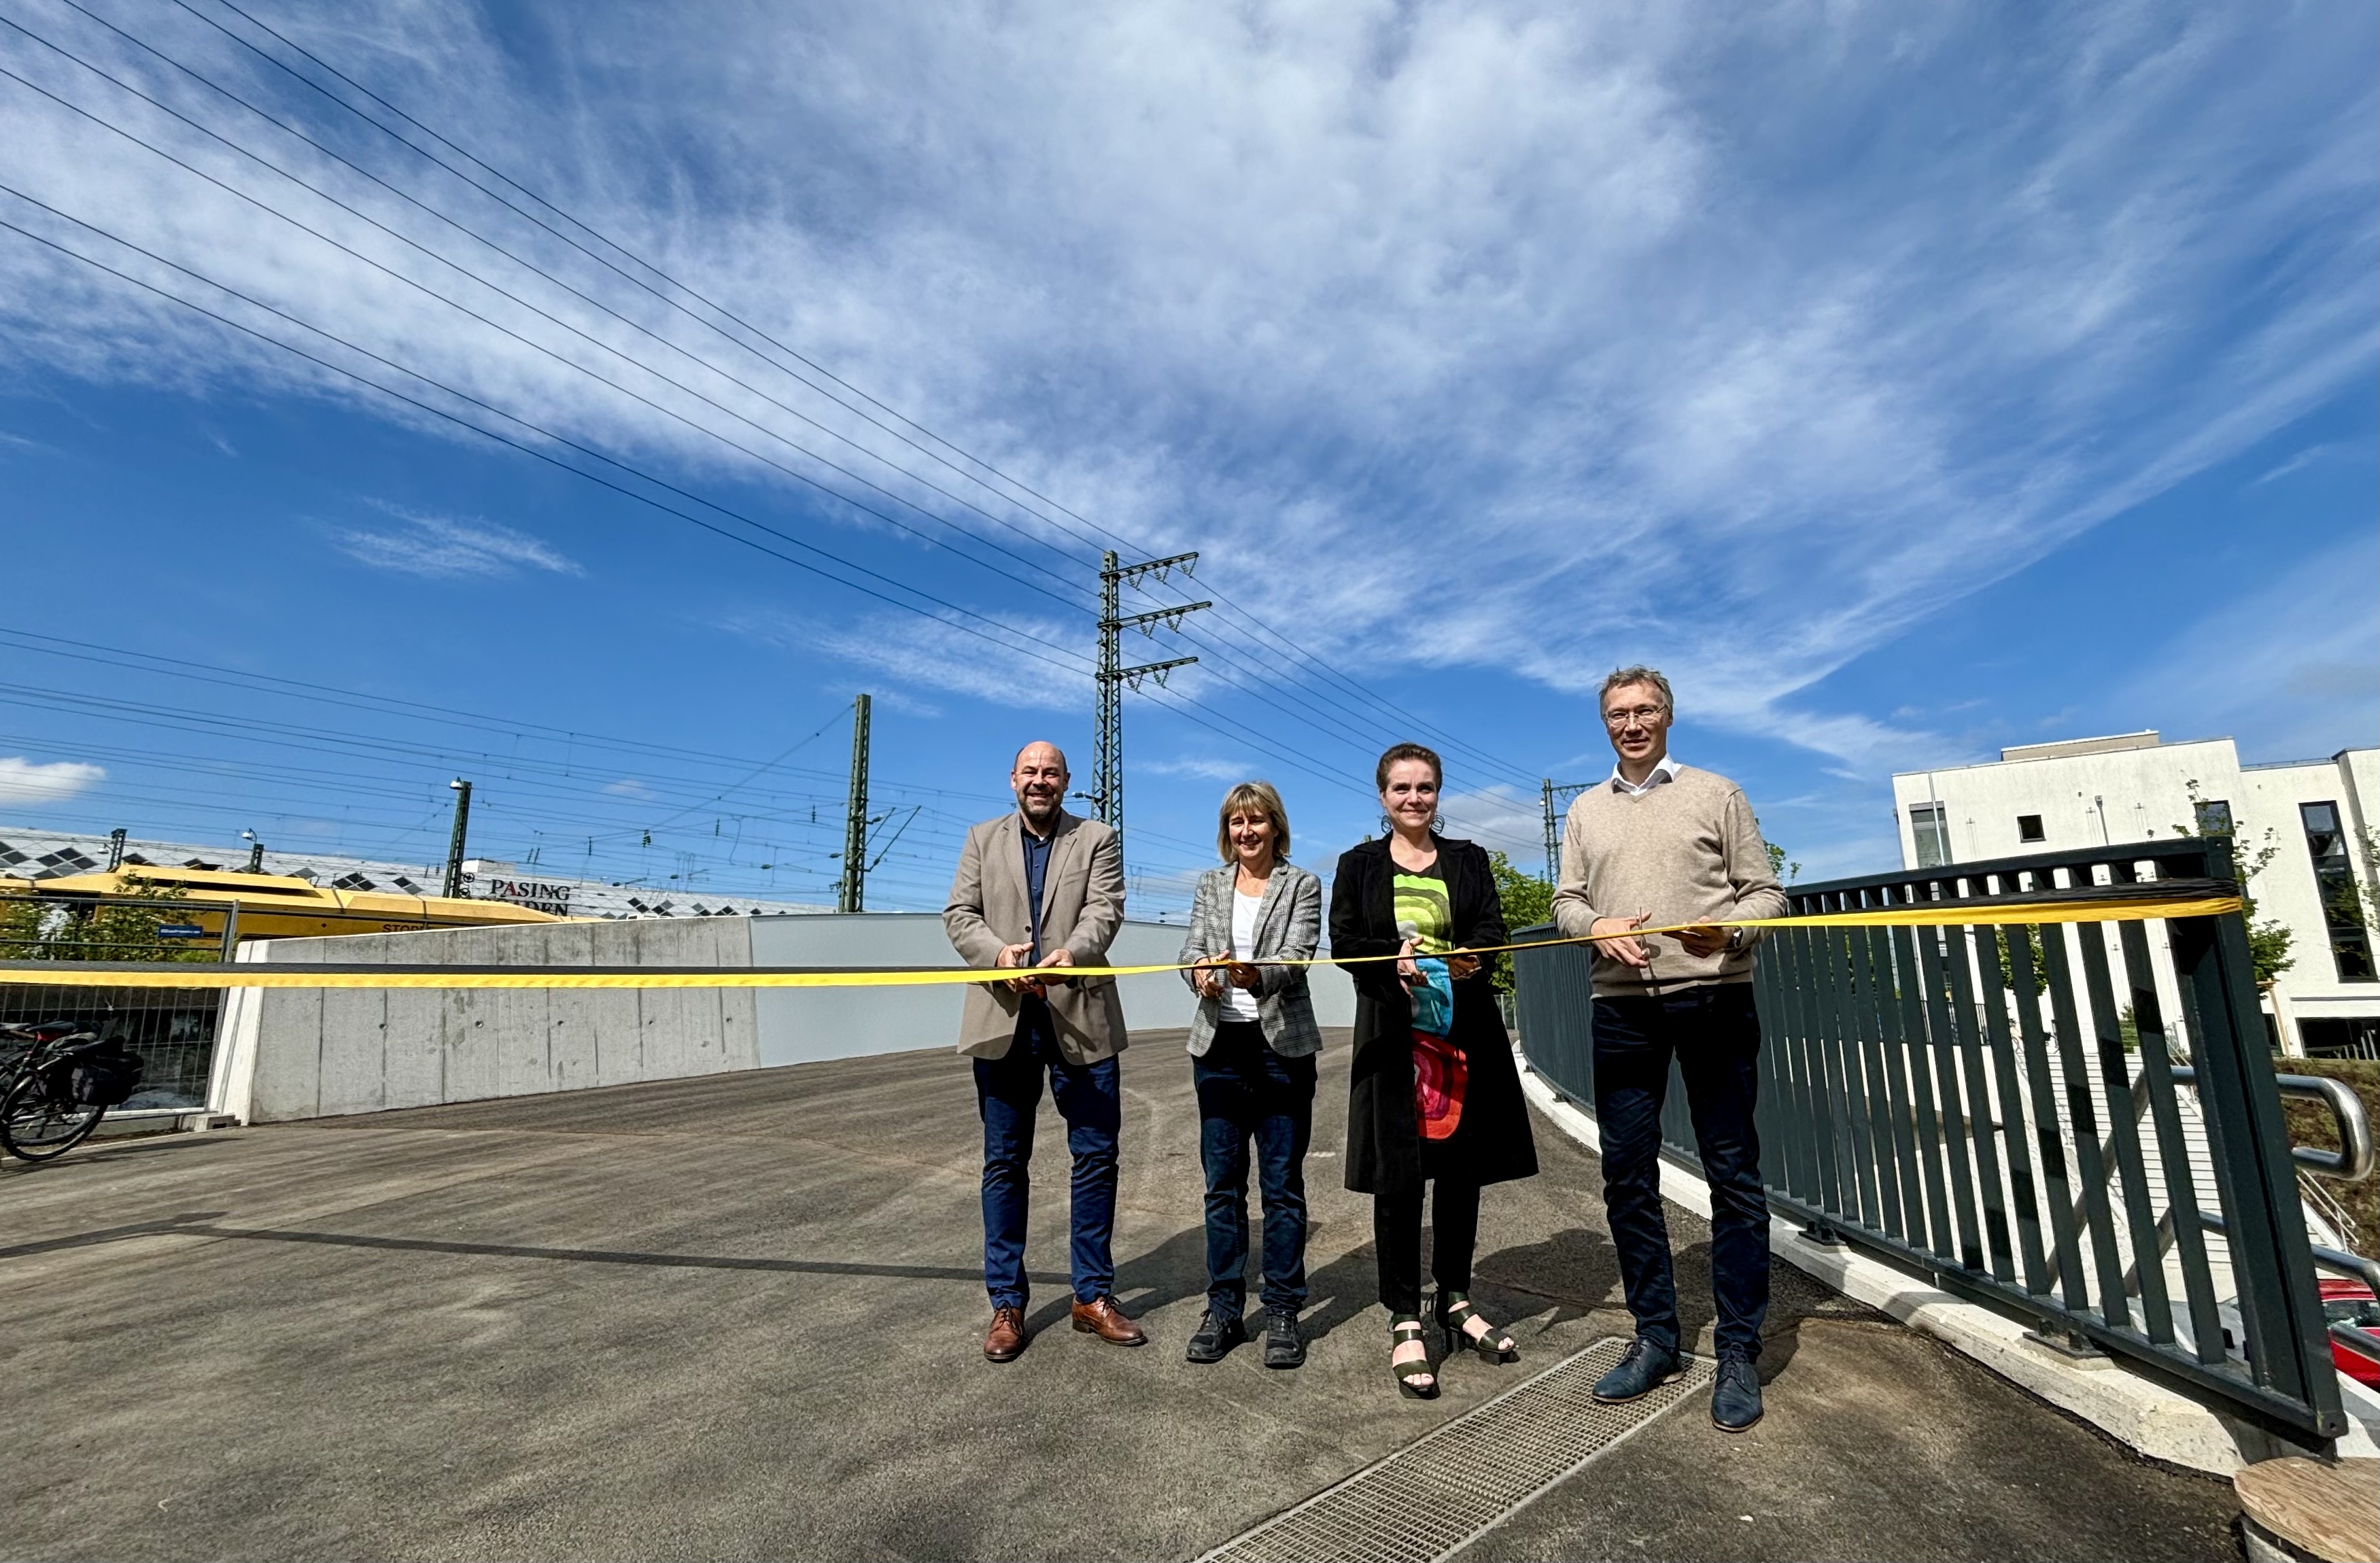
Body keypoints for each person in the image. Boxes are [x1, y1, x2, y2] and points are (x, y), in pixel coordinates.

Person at [1551, 666, 1787, 1432]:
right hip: (1621, 1009)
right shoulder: (1585, 809)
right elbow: (1566, 902)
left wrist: (1731, 930)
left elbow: (1768, 894)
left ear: (1668, 716)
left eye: (1645, 710)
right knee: (1626, 1175)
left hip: (1714, 999)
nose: (1632, 723)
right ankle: (1656, 1335)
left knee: (1733, 1174)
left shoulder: (1718, 793)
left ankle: (1739, 1350)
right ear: (1605, 724)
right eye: (1618, 713)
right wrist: (1596, 927)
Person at [1330, 743, 1538, 1398]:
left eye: (1424, 787)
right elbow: (1344, 944)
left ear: (1438, 794)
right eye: (1401, 788)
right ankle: (1403, 1314)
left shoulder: (1468, 859)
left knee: (1458, 1174)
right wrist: (1391, 956)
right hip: (1394, 1040)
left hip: (1461, 1036)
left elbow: (1491, 929)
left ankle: (1454, 1297)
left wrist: (1470, 956)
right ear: (1382, 796)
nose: (1413, 798)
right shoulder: (1358, 864)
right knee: (1398, 1179)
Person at [944, 740, 1143, 1362]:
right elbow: (960, 914)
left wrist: (1071, 955)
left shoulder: (1097, 838)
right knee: (1004, 1163)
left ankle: (1093, 1296)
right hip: (1002, 1021)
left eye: (1050, 772)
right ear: (1012, 779)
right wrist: (998, 955)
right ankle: (1007, 1303)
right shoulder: (981, 838)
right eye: (1029, 771)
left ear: (1065, 781)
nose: (1039, 780)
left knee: (1096, 1157)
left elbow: (1105, 910)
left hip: (1080, 1017)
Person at [1177, 780, 1325, 1369]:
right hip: (1217, 1049)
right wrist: (1200, 973)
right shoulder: (1209, 884)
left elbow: (1297, 955)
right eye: (1236, 823)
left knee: (1282, 1186)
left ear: (1275, 826)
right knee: (1222, 1186)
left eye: (1256, 821)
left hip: (1280, 1050)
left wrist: (1253, 975)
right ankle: (1224, 1309)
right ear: (1227, 831)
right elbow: (1190, 949)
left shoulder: (1302, 883)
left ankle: (1283, 1309)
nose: (1246, 832)